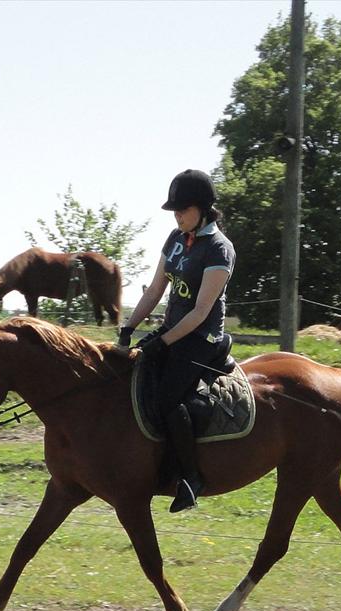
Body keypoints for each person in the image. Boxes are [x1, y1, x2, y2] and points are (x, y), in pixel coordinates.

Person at [118, 169, 235, 512]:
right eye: (175, 210)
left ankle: (190, 478)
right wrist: (130, 327)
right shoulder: (174, 239)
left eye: (182, 209)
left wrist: (161, 342)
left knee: (168, 399)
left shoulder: (218, 249)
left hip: (202, 338)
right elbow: (155, 290)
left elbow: (200, 312)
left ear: (202, 209)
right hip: (172, 332)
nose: (177, 215)